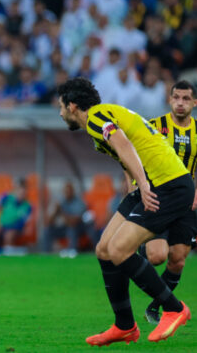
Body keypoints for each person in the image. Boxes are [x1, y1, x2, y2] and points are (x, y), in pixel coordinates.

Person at [57, 77, 194, 345]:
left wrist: (142, 185)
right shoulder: (102, 116)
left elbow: (123, 144)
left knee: (120, 250)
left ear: (73, 106)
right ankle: (124, 326)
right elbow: (128, 148)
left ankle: (174, 308)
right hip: (153, 182)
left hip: (168, 184)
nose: (60, 112)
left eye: (61, 107)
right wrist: (136, 186)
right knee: (104, 250)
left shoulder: (96, 117)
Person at [142, 80, 197, 324]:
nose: (181, 103)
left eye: (186, 99)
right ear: (169, 99)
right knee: (156, 257)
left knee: (178, 259)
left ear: (195, 103)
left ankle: (155, 308)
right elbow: (134, 157)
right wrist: (138, 187)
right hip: (160, 199)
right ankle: (133, 249)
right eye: (177, 98)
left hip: (187, 204)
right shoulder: (155, 127)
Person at [45, 181, 94, 257]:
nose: (67, 193)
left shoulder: (79, 203)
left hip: (79, 228)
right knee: (47, 230)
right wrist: (55, 212)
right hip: (64, 228)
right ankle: (46, 254)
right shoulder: (61, 201)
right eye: (65, 191)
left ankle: (72, 251)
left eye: (69, 191)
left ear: (73, 191)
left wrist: (61, 211)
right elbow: (48, 222)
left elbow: (73, 222)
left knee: (71, 228)